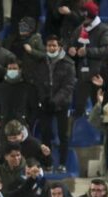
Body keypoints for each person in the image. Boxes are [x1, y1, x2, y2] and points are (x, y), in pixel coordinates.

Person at [34, 35, 76, 173]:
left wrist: (55, 100)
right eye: (49, 45)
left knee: (63, 135)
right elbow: (38, 83)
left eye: (54, 45)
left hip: (62, 104)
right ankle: (48, 163)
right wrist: (43, 99)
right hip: (45, 104)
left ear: (59, 47)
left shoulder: (68, 63)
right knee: (45, 134)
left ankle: (63, 163)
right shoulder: (40, 62)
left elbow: (68, 86)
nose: (51, 48)